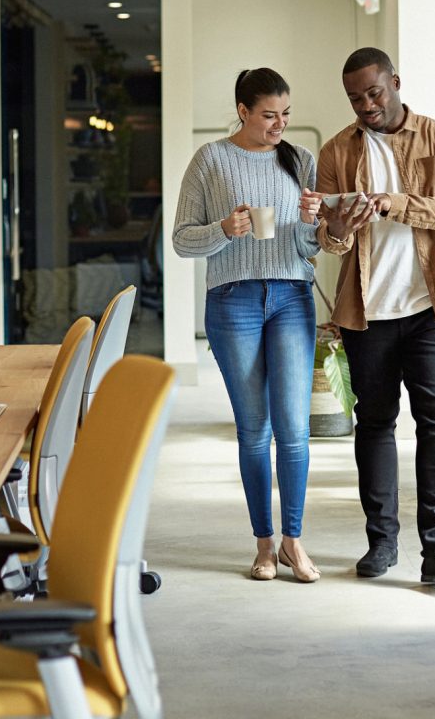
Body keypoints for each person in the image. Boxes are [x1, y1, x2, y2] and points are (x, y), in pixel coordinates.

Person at [313, 47, 435, 584]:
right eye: (356, 98)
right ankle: (381, 544)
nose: (366, 105)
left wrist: (394, 203)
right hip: (368, 311)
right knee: (375, 424)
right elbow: (330, 244)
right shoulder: (338, 150)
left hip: (432, 306)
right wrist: (340, 224)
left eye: (374, 92)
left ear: (395, 82)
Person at [173, 68, 324, 583]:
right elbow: (181, 240)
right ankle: (263, 545)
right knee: (254, 429)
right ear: (242, 110)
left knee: (295, 430)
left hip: (291, 296)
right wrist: (224, 228)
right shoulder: (211, 160)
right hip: (233, 300)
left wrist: (309, 224)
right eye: (268, 115)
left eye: (286, 114)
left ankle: (293, 543)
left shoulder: (300, 160)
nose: (280, 124)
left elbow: (310, 250)